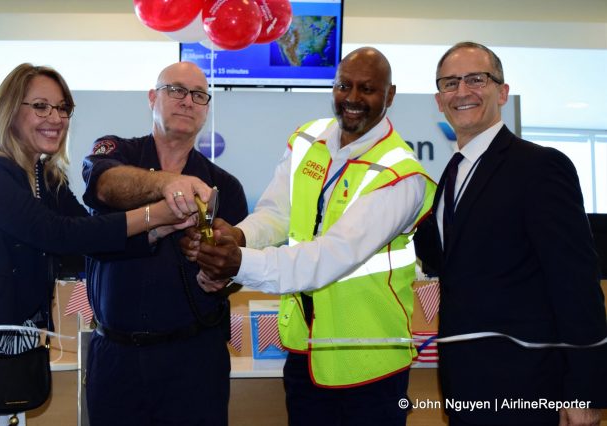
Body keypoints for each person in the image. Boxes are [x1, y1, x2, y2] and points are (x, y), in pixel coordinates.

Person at [0, 63, 190, 425]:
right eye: (41, 106)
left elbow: (83, 244)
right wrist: (153, 214)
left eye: (62, 108)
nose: (55, 117)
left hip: (13, 356)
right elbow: (55, 234)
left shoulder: (47, 177)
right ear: (11, 111)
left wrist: (156, 232)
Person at [183, 47, 436, 425]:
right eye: (343, 86)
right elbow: (276, 214)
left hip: (370, 362)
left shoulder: (401, 174)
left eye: (367, 89)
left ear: (390, 95)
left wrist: (241, 263)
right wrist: (239, 236)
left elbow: (331, 256)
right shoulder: (307, 140)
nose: (352, 98)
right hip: (305, 350)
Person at [414, 41, 607, 425]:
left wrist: (587, 391)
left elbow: (575, 283)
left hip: (527, 385)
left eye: (476, 79)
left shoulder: (540, 167)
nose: (462, 91)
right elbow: (446, 263)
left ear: (502, 91)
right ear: (439, 100)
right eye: (450, 83)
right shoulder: (451, 175)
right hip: (464, 385)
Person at [81, 61, 248, 426]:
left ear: (206, 109)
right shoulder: (116, 154)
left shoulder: (225, 187)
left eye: (199, 95)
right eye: (176, 90)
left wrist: (219, 276)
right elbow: (104, 186)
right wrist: (167, 185)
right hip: (115, 358)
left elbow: (235, 265)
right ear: (153, 97)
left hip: (194, 361)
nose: (188, 101)